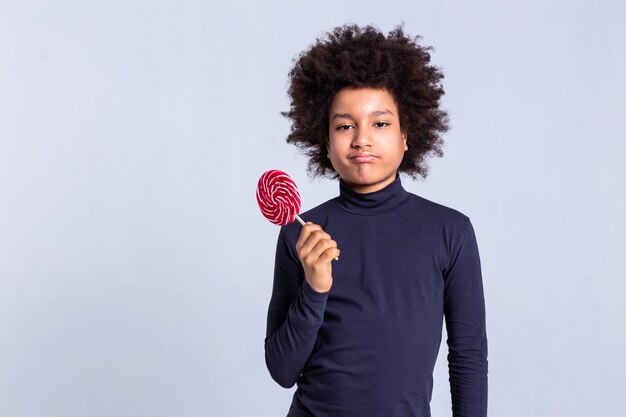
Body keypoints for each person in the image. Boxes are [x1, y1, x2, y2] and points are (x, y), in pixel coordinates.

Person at [264, 24, 488, 417]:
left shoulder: (450, 232)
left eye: (380, 123)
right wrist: (315, 288)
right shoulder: (300, 234)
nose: (361, 138)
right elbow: (282, 371)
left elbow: (468, 357)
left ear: (406, 135)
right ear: (326, 143)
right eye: (344, 125)